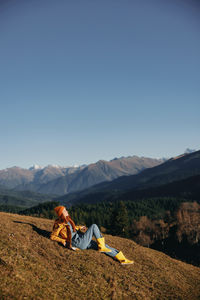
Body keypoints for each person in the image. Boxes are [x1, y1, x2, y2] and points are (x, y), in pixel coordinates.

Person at [50, 206, 134, 265]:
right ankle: (102, 247)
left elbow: (72, 229)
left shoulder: (67, 220)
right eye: (65, 211)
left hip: (80, 239)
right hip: (77, 242)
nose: (67, 211)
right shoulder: (58, 224)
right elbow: (53, 236)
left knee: (104, 245)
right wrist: (63, 241)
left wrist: (79, 227)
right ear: (61, 213)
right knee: (94, 226)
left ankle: (122, 259)